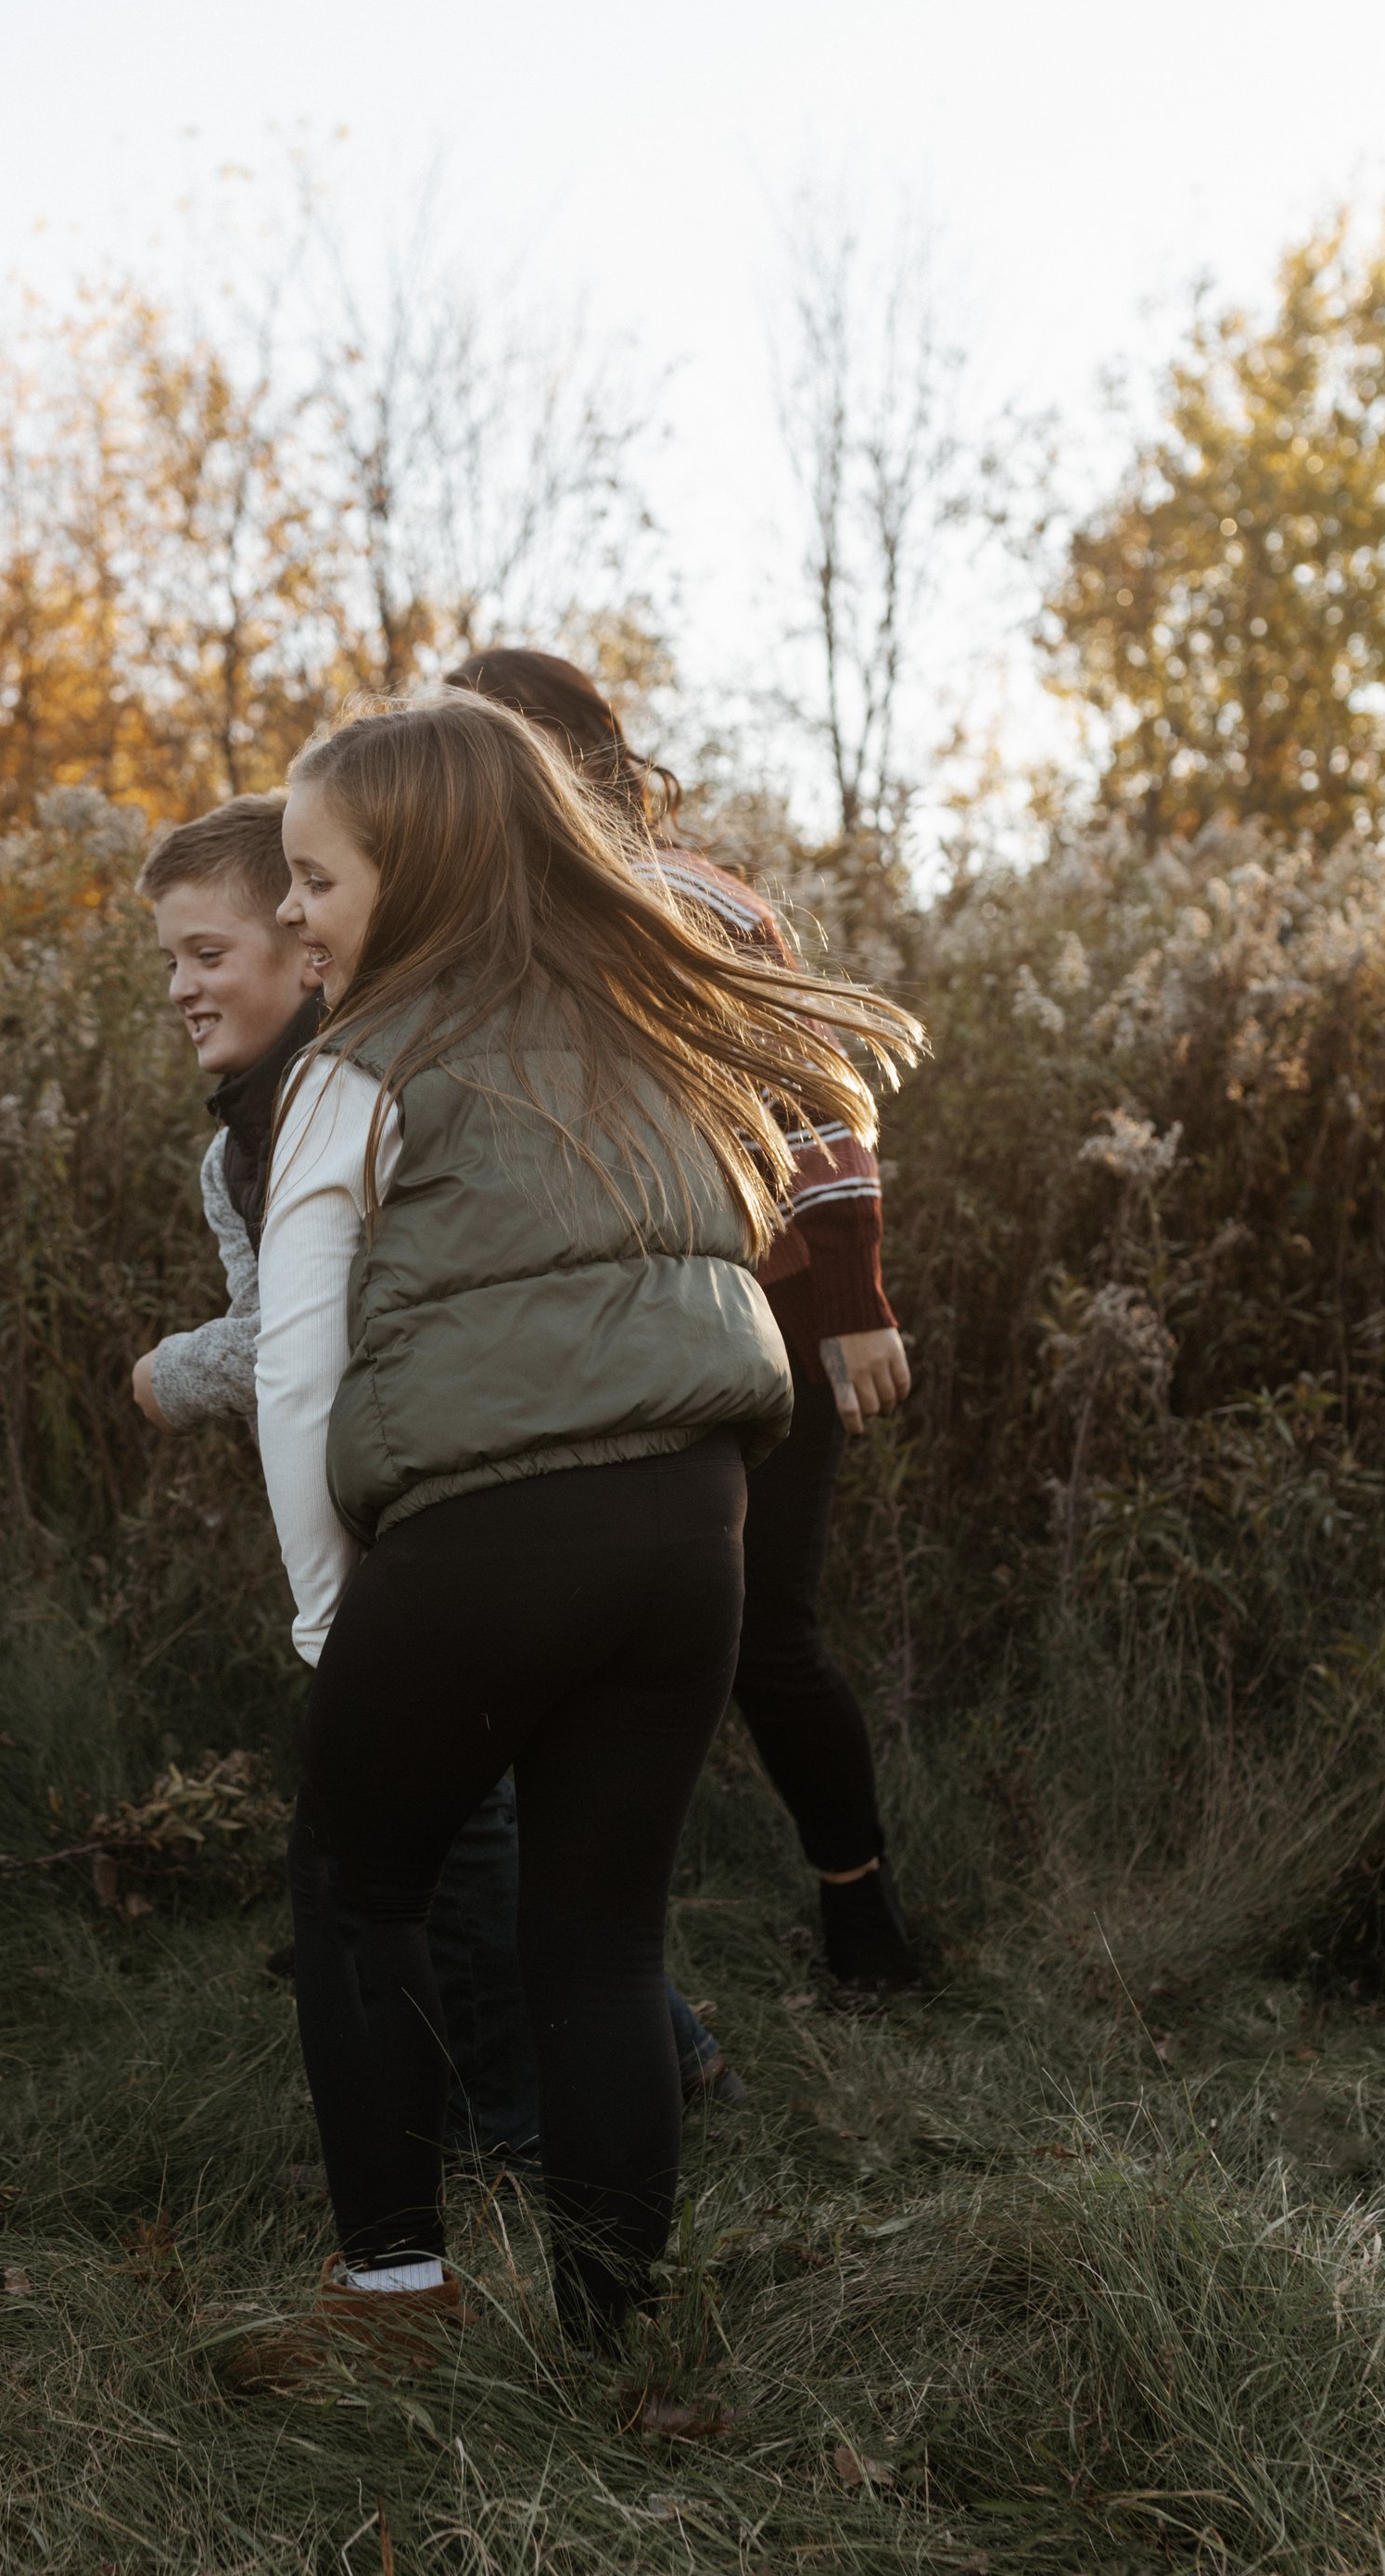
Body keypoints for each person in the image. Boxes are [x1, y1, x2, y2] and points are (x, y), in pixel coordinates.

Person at [222, 692, 921, 2389]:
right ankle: (620, 2342)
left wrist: (331, 1619)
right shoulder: (653, 1031)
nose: (296, 912)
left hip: (482, 1535)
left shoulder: (356, 1067)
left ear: (422, 865)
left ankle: (392, 2303)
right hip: (692, 1530)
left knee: (350, 1887)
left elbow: (297, 1362)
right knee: (602, 1940)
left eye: (315, 878)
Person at [450, 648, 920, 1994]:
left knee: (764, 1631)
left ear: (554, 755)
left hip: (759, 1315)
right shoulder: (493, 922)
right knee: (607, 1628)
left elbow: (814, 1096)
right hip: (600, 1332)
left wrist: (856, 1307)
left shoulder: (686, 899)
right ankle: (572, 1948)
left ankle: (862, 1914)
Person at [129, 795, 540, 2163]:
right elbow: (281, 1320)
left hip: (456, 1494)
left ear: (304, 949)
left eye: (207, 953)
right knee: (464, 1817)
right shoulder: (226, 1149)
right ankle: (648, 2049)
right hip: (374, 1502)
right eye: (170, 963)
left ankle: (511, 2123)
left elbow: (312, 1327)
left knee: (452, 1830)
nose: (182, 989)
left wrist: (168, 1372)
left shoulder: (377, 1082)